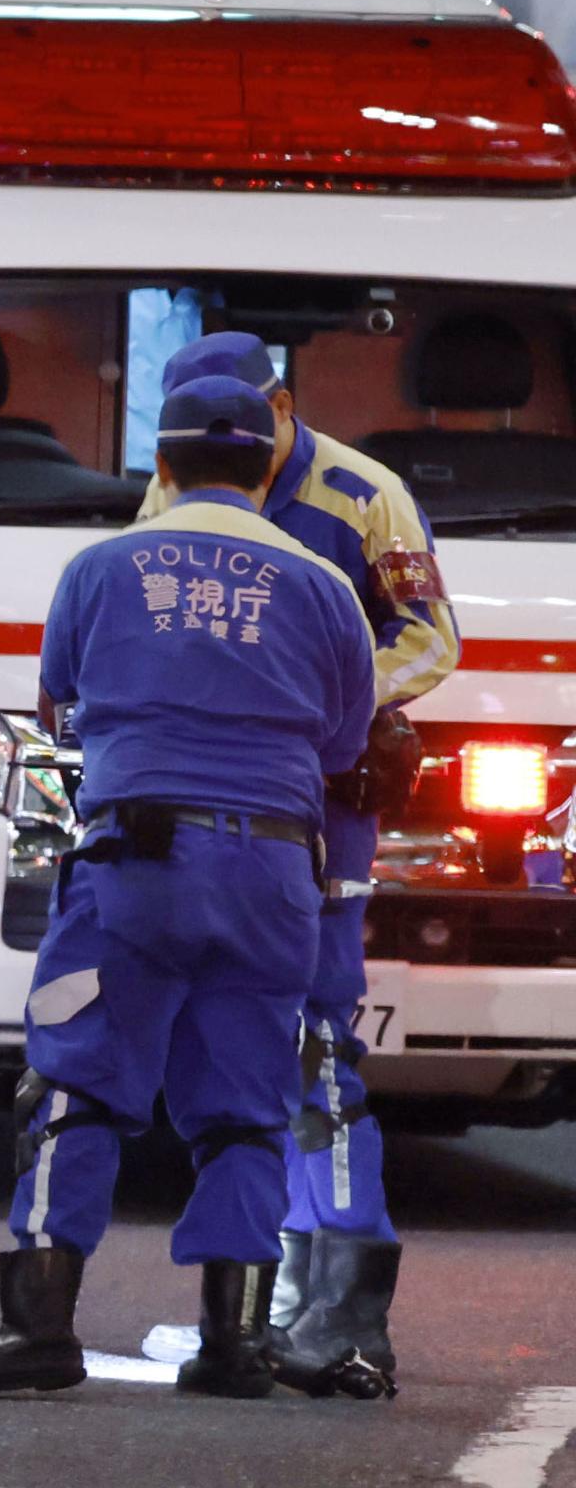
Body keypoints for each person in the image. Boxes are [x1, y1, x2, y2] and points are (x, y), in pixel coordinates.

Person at [0, 372, 376, 1417]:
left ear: (159, 463)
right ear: (268, 464)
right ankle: (231, 1338)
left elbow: (57, 706)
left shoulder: (100, 566)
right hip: (270, 876)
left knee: (73, 1081)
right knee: (249, 1103)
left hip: (135, 865)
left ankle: (37, 1325)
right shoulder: (322, 586)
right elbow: (342, 741)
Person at [134, 332, 455, 1396]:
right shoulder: (178, 479)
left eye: (235, 417)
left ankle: (342, 1311)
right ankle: (263, 1300)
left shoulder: (366, 495)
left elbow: (429, 638)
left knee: (317, 1040)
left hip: (321, 797)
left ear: (280, 402)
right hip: (207, 802)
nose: (208, 445)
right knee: (226, 1046)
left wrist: (317, 697)